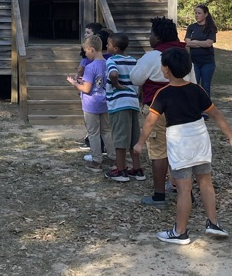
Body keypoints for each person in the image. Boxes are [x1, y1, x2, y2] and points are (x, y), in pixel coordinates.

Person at [133, 47, 232, 245]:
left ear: (165, 70)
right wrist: (231, 138)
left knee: (184, 189)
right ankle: (213, 223)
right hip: (200, 139)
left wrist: (140, 143)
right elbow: (216, 114)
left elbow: (150, 121)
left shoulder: (162, 94)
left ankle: (180, 232)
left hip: (179, 141)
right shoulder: (196, 89)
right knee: (205, 183)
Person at [130, 17, 194, 206]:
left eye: (151, 34)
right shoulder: (184, 55)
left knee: (159, 151)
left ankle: (159, 196)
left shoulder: (151, 57)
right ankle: (186, 193)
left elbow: (136, 79)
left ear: (157, 37)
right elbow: (194, 83)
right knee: (181, 151)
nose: (149, 37)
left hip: (156, 110)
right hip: (183, 110)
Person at [67, 33, 115, 171]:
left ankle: (96, 161)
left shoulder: (90, 67)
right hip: (105, 101)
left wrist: (75, 83)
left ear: (92, 49)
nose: (85, 54)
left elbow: (87, 89)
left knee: (93, 132)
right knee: (107, 131)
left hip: (91, 104)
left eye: (86, 51)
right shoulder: (108, 63)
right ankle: (113, 159)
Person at [103, 32, 144, 182]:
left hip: (118, 104)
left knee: (120, 138)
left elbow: (113, 74)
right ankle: (137, 169)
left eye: (108, 44)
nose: (106, 46)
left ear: (114, 48)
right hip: (133, 103)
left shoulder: (111, 60)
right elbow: (141, 79)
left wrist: (116, 84)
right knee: (134, 137)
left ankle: (120, 170)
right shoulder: (133, 60)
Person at [185, 4, 217, 102]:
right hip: (194, 62)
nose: (197, 15)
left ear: (206, 14)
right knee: (193, 86)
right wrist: (200, 43)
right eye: (195, 13)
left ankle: (205, 110)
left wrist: (195, 42)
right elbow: (187, 43)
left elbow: (209, 43)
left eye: (199, 13)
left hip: (207, 62)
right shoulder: (191, 27)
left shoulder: (211, 28)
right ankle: (194, 109)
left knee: (205, 87)